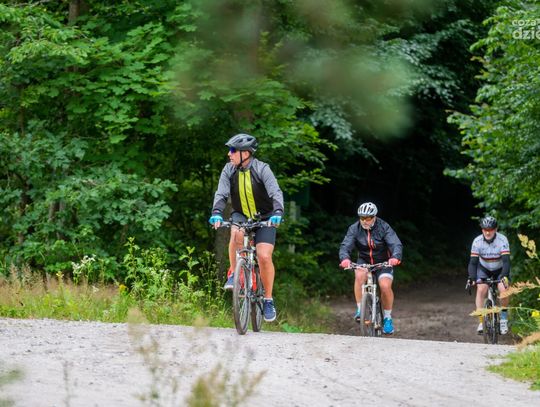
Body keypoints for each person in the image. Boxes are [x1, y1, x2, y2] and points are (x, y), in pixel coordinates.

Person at [209, 133, 284, 322]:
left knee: (264, 256)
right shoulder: (229, 170)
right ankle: (234, 273)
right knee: (235, 234)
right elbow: (221, 193)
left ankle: (268, 299)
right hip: (241, 214)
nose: (229, 154)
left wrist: (277, 212)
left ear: (246, 153)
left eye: (233, 150)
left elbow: (275, 192)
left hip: (265, 216)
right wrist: (216, 212)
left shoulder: (262, 169)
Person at [338, 202, 403, 335]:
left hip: (384, 262)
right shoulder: (354, 228)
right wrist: (345, 259)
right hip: (364, 261)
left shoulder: (384, 227)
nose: (365, 221)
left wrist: (395, 257)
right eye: (362, 218)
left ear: (374, 217)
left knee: (385, 286)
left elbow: (395, 244)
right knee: (359, 275)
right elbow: (346, 245)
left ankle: (387, 318)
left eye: (368, 218)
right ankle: (360, 310)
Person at [467, 215, 511, 335]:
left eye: (490, 229)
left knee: (504, 289)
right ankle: (481, 321)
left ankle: (503, 318)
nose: (487, 232)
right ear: (482, 230)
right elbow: (473, 262)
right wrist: (472, 278)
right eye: (485, 229)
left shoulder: (502, 240)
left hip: (500, 269)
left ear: (495, 229)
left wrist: (505, 276)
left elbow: (506, 261)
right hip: (484, 268)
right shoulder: (477, 242)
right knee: (481, 289)